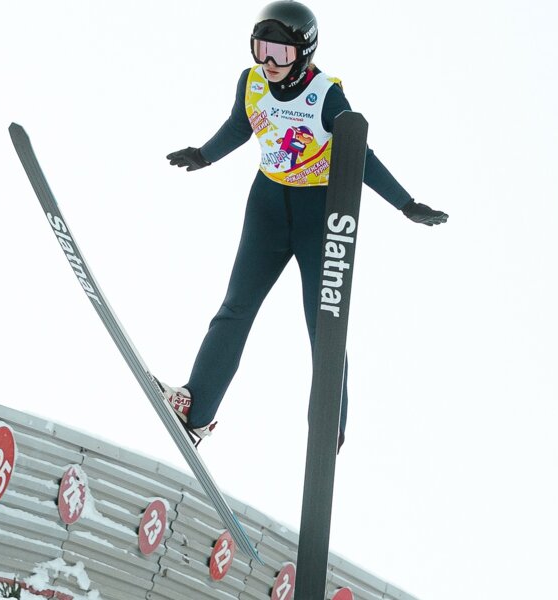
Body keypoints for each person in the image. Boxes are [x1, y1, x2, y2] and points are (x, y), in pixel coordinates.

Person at [162, 0, 447, 452]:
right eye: (261, 49)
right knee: (235, 308)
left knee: (325, 327)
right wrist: (204, 154)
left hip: (321, 217)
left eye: (281, 53)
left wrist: (405, 204)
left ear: (304, 52)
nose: (269, 62)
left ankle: (328, 431)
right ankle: (197, 411)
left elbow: (361, 156)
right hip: (268, 208)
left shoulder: (326, 94)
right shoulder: (252, 81)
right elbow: (242, 125)